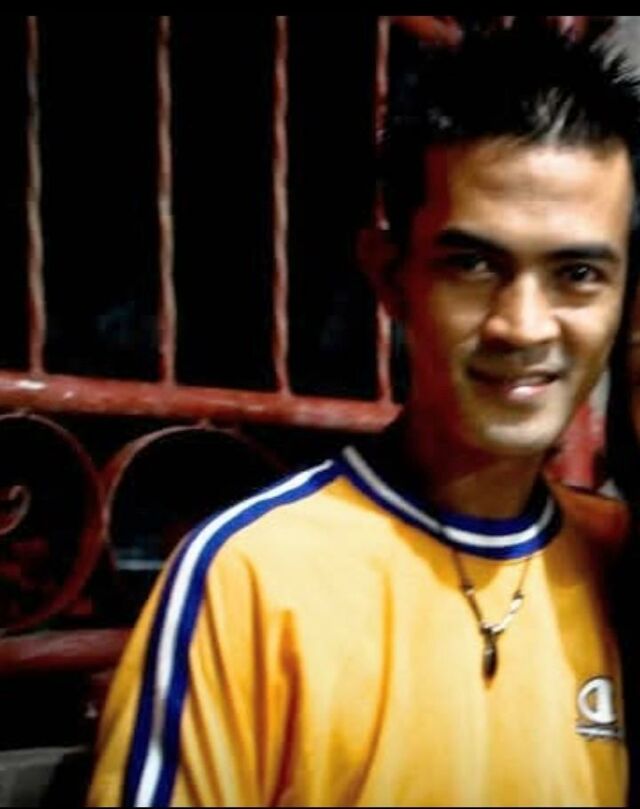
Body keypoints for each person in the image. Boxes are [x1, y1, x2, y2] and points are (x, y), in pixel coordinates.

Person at [88, 22, 640, 807]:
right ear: (389, 277)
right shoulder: (253, 576)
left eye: (577, 273)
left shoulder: (622, 564)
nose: (523, 325)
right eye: (473, 264)